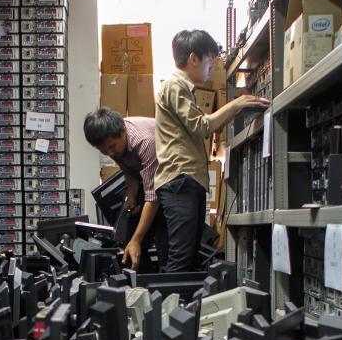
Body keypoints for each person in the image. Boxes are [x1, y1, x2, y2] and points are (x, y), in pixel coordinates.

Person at [154, 30, 268, 273]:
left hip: (185, 181)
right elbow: (201, 126)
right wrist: (236, 104)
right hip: (180, 181)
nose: (211, 68)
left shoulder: (182, 88)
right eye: (209, 60)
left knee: (189, 258)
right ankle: (170, 299)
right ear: (193, 58)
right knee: (181, 260)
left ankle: (178, 298)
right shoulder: (175, 85)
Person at [83, 108, 161, 270]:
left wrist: (136, 240)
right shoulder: (112, 144)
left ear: (123, 131)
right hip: (150, 182)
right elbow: (129, 171)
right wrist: (131, 196)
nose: (110, 153)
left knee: (162, 245)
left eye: (112, 147)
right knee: (129, 241)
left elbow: (153, 197)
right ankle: (137, 278)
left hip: (174, 183)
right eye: (103, 150)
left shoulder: (144, 141)